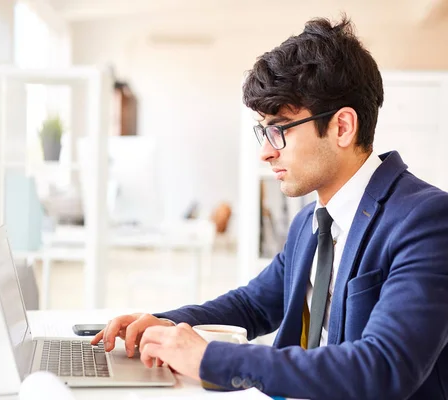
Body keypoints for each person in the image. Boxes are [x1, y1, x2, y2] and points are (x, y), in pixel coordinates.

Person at [91, 15, 448, 400]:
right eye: (264, 131)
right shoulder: (311, 224)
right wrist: (162, 324)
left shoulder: (426, 220)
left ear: (342, 127)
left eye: (280, 129)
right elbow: (252, 305)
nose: (265, 151)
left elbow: (385, 367)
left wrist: (211, 358)